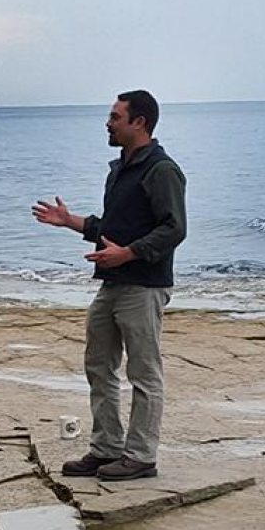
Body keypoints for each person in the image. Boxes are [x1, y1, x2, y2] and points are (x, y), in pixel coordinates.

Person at [32, 89, 187, 481]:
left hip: (144, 285)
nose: (108, 122)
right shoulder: (119, 168)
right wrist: (71, 222)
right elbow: (112, 231)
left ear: (140, 123)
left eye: (116, 117)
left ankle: (141, 457)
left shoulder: (162, 170)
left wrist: (130, 253)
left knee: (144, 373)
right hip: (113, 283)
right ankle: (106, 449)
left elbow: (174, 229)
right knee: (98, 366)